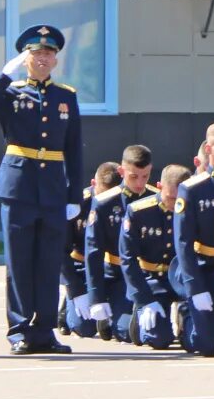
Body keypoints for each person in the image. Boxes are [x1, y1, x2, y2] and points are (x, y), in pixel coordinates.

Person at [0, 24, 82, 355]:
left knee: (48, 261)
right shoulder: (11, 92)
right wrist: (5, 73)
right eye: (36, 53)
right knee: (19, 261)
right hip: (18, 185)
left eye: (48, 53)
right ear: (26, 57)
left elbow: (74, 150)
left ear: (56, 60)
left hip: (52, 188)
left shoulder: (66, 97)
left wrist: (73, 196)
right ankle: (19, 330)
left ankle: (44, 331)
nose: (43, 58)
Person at [173, 123, 214, 356]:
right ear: (209, 150)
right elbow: (183, 243)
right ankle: (187, 316)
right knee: (207, 345)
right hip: (205, 269)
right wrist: (194, 287)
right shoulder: (192, 189)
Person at [84, 145, 152, 340]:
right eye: (133, 176)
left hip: (145, 274)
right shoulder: (105, 203)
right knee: (120, 330)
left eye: (145, 176)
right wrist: (96, 297)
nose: (140, 183)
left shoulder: (154, 198)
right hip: (116, 274)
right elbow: (93, 251)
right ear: (122, 172)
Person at [118, 165, 185, 349]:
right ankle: (138, 317)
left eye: (179, 199)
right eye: (170, 198)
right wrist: (143, 299)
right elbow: (127, 258)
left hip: (183, 280)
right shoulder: (139, 212)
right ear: (159, 187)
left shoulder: (189, 207)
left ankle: (184, 320)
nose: (174, 204)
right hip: (152, 281)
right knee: (159, 340)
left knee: (197, 341)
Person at [63, 163, 118, 336]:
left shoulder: (124, 201)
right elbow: (59, 251)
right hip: (82, 269)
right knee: (84, 328)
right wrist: (75, 289)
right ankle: (66, 307)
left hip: (112, 269)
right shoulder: (77, 204)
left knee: (120, 328)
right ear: (94, 184)